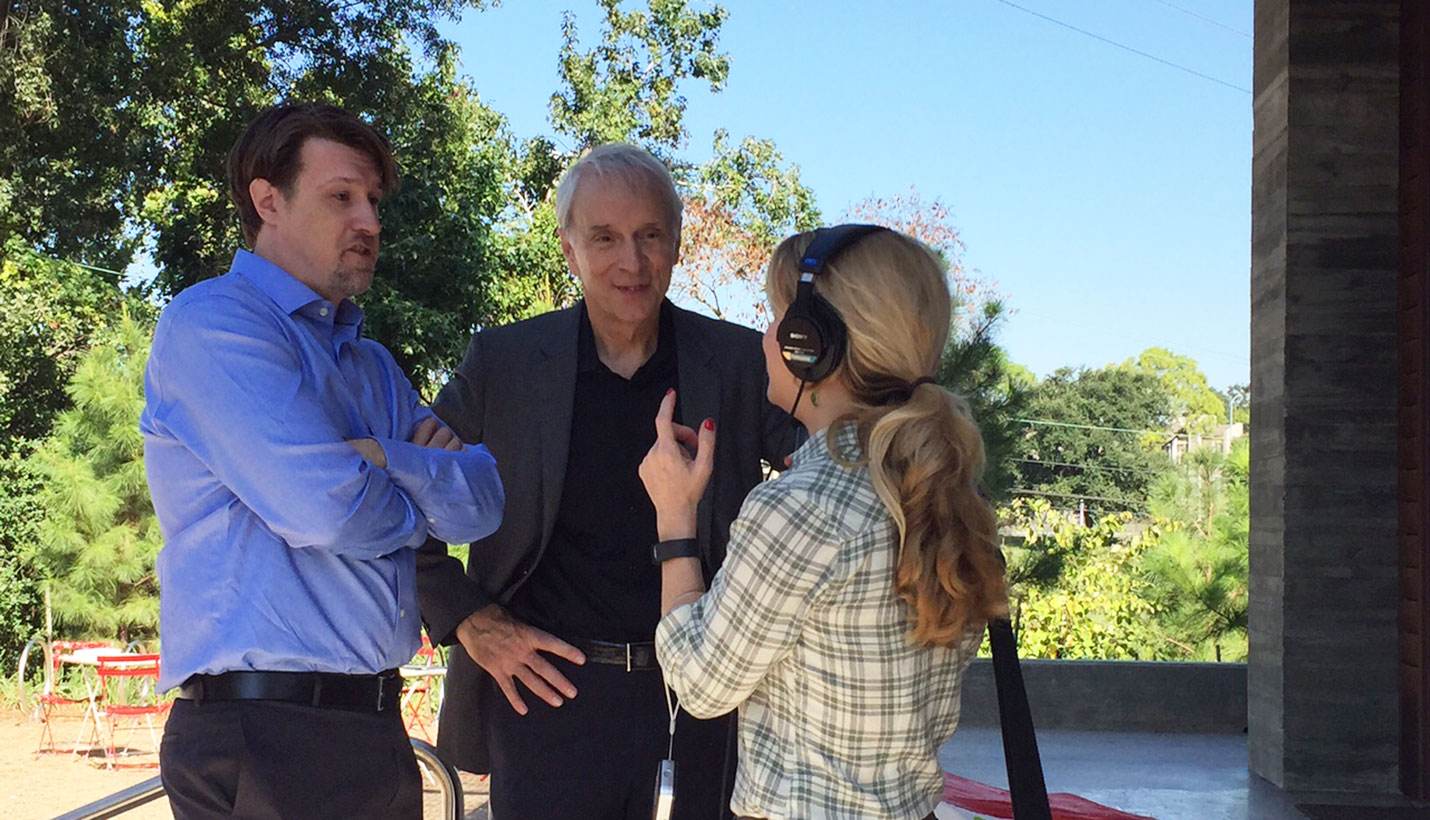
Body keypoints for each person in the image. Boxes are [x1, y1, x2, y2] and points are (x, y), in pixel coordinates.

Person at [141, 102, 505, 820]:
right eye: (341, 196)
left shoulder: (368, 364)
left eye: (372, 200)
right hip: (267, 735)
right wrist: (421, 488)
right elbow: (331, 511)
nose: (369, 221)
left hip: (372, 728)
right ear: (267, 200)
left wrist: (379, 458)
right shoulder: (214, 324)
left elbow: (486, 501)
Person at [415, 142, 799, 820]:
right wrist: (468, 618)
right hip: (544, 701)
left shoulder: (739, 361)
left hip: (700, 708)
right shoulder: (504, 363)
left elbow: (831, 458)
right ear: (569, 249)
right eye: (606, 238)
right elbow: (402, 502)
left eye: (651, 236)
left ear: (677, 245)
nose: (632, 261)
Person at [640, 225, 1009, 820]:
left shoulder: (800, 508)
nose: (764, 338)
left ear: (810, 343)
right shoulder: (945, 490)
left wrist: (674, 516)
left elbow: (702, 685)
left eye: (774, 318)